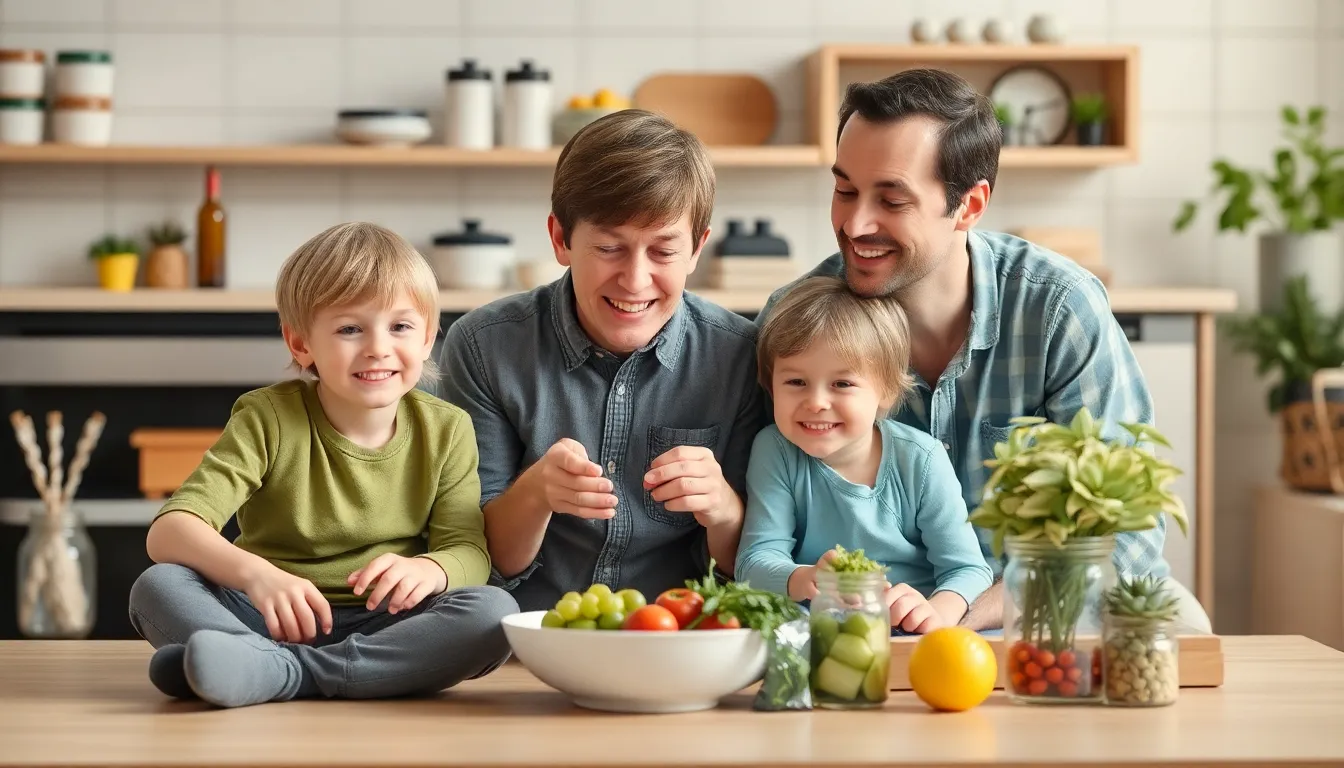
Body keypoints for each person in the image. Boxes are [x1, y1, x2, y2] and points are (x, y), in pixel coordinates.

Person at [756, 68, 1212, 633]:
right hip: (861, 638)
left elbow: (1124, 535)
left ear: (970, 205)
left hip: (1042, 629)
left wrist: (953, 616)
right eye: (845, 190)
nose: (855, 223)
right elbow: (760, 528)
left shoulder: (1058, 310)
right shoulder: (798, 322)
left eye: (891, 200)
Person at [127, 222, 517, 708]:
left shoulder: (448, 428)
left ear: (427, 337)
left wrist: (432, 569)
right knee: (158, 585)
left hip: (390, 623)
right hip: (267, 615)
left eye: (399, 326)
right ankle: (288, 665)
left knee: (493, 610)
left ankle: (269, 670)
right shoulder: (267, 417)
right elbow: (169, 532)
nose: (378, 347)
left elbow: (469, 551)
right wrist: (256, 576)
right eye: (350, 328)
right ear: (300, 343)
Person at [439, 109, 769, 612]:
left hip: (678, 634)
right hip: (530, 634)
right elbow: (477, 560)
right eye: (610, 247)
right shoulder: (484, 347)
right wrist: (535, 494)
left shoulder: (741, 356)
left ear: (696, 249)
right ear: (561, 239)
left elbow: (754, 567)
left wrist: (724, 510)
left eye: (663, 252)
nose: (635, 281)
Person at [737, 276, 993, 631]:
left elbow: (968, 569)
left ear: (886, 390)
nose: (816, 402)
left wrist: (936, 612)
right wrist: (805, 578)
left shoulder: (921, 459)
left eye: (842, 384)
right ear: (770, 384)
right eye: (796, 382)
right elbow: (753, 563)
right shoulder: (775, 450)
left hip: (909, 632)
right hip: (817, 632)